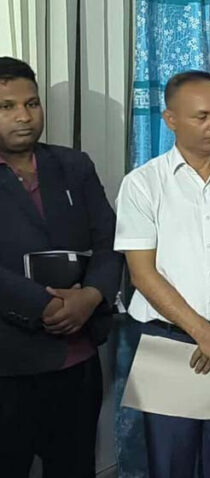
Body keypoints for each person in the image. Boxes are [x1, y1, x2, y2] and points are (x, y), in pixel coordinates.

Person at [115, 70, 210, 478]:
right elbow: (142, 275)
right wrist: (202, 332)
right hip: (168, 344)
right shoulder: (143, 185)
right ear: (170, 120)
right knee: (169, 463)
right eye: (202, 116)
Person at [0, 56, 123, 478]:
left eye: (31, 104)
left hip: (76, 362)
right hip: (8, 365)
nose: (23, 116)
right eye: (7, 107)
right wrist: (43, 306)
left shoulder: (73, 165)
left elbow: (109, 241)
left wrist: (91, 296)